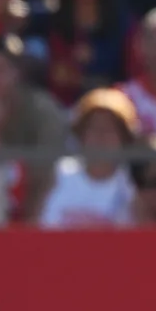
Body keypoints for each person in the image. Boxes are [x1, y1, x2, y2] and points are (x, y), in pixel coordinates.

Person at [36, 87, 139, 226]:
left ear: (124, 137)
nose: (101, 135)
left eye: (110, 129)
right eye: (93, 127)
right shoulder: (58, 174)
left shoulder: (134, 183)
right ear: (81, 135)